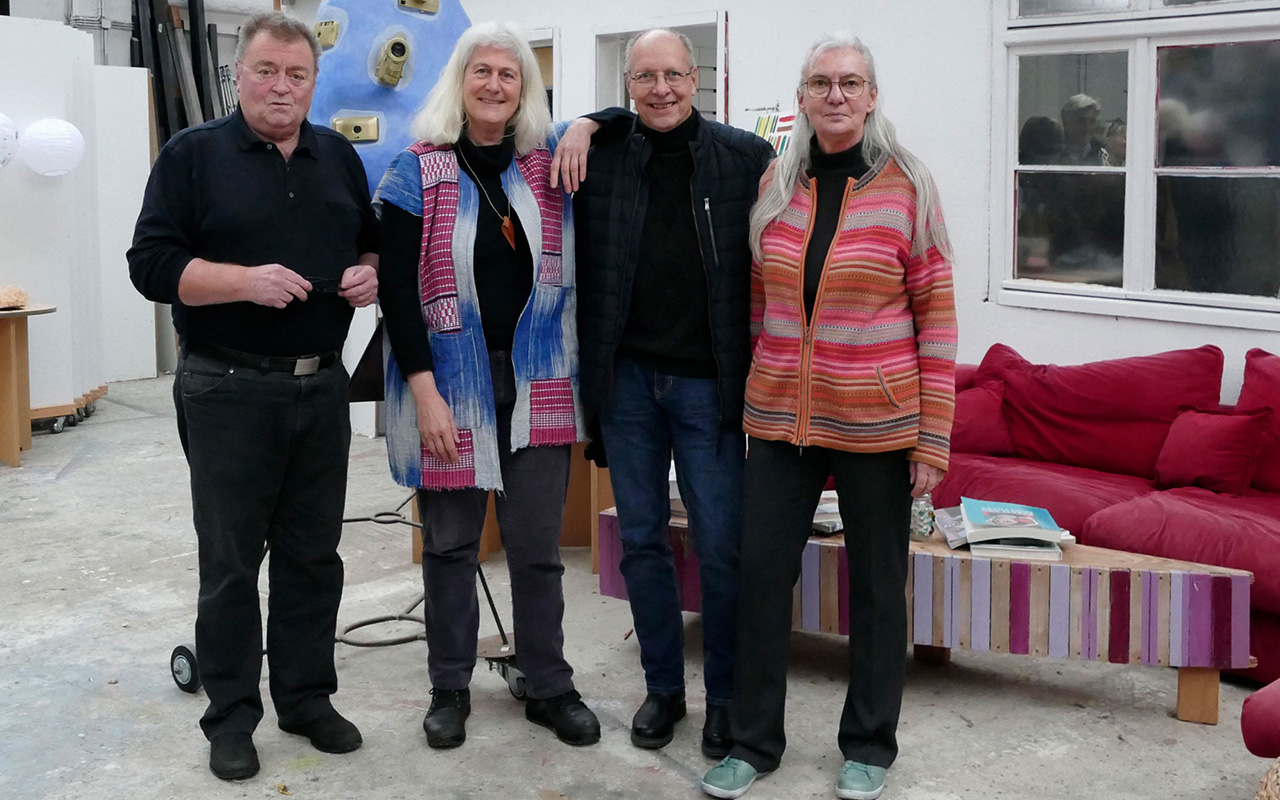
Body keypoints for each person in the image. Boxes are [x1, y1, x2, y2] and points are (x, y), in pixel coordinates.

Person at [702, 33, 956, 800]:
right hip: (781, 418)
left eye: (850, 82)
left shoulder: (908, 185)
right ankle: (753, 743)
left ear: (872, 96)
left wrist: (932, 438)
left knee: (878, 585)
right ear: (803, 98)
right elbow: (759, 302)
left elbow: (936, 313)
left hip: (879, 421)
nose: (836, 95)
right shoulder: (780, 183)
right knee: (760, 577)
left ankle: (870, 746)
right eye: (821, 83)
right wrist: (755, 389)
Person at [126, 12, 378, 781]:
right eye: (266, 71)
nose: (281, 87)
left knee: (313, 555)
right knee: (232, 563)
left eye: (296, 75)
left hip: (320, 386)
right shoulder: (193, 155)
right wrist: (244, 281)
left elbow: (365, 237)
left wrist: (368, 271)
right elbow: (151, 265)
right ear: (240, 75)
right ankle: (231, 717)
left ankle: (306, 698)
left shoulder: (337, 156)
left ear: (312, 81)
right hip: (226, 386)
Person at [374, 21, 603, 751]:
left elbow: (631, 123)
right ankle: (449, 688)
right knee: (450, 547)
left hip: (539, 378)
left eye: (510, 74)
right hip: (451, 383)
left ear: (525, 89)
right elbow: (399, 295)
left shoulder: (547, 167)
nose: (496, 84)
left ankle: (548, 682)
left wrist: (591, 122)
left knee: (537, 547)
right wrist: (425, 392)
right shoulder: (416, 170)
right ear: (461, 81)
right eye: (483, 72)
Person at [568, 27, 775, 759]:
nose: (660, 89)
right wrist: (588, 121)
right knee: (645, 543)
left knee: (721, 548)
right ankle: (664, 690)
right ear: (628, 84)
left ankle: (724, 700)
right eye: (645, 76)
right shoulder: (600, 157)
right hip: (625, 385)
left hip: (709, 389)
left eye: (673, 75)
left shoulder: (745, 159)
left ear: (698, 80)